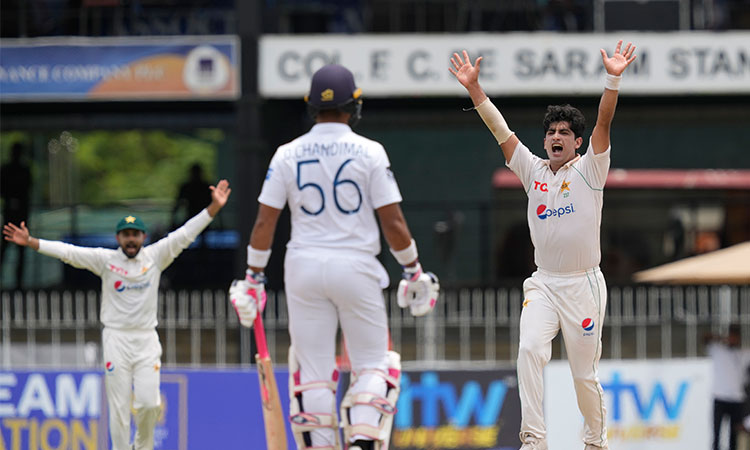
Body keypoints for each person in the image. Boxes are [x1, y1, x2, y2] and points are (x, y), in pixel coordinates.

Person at [228, 64, 439, 450]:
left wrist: (253, 277)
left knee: (311, 371)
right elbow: (392, 221)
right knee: (375, 363)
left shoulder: (287, 153)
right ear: (353, 106)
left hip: (303, 267)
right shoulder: (370, 151)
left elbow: (264, 221)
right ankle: (361, 440)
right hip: (356, 266)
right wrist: (413, 270)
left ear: (312, 107)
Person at [450, 40, 637, 450]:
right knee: (530, 349)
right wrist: (474, 90)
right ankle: (534, 439)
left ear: (576, 142)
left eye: (564, 133)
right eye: (551, 131)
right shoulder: (532, 168)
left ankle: (595, 441)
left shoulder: (591, 169)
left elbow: (604, 124)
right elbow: (501, 131)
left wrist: (613, 78)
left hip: (584, 285)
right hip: (544, 283)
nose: (555, 136)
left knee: (583, 373)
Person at [2, 179, 231, 450]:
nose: (131, 239)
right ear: (118, 238)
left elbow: (185, 234)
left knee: (149, 404)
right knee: (119, 407)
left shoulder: (156, 257)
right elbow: (70, 253)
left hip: (146, 340)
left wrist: (213, 208)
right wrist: (32, 242)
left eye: (135, 234)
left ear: (144, 237)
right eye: (126, 234)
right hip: (116, 339)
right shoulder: (106, 260)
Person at [706, 326, 750, 450]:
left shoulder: (744, 353)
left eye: (735, 336)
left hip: (737, 400)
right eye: (731, 336)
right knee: (716, 435)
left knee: (733, 438)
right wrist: (722, 338)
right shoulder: (718, 350)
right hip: (720, 398)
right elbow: (705, 337)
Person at [1, 142, 32, 288]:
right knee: (5, 249)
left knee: (20, 251)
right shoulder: (7, 170)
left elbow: (27, 189)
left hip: (20, 216)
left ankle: (19, 283)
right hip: (11, 215)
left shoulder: (23, 170)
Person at [171, 163, 211, 230]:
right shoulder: (188, 187)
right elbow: (178, 204)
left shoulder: (205, 187)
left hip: (202, 218)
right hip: (192, 218)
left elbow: (178, 205)